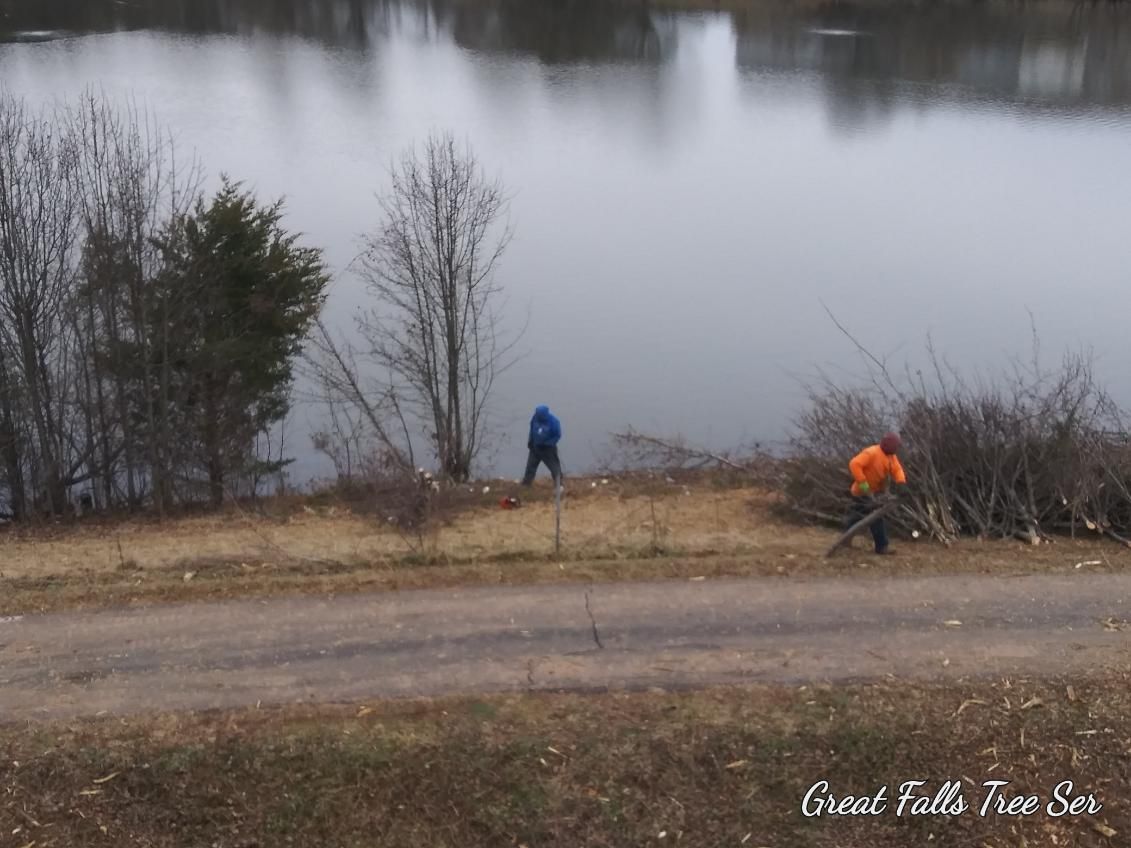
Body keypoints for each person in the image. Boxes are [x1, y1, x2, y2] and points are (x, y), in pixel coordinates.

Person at [844, 431, 907, 555]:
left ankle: (849, 540)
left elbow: (897, 469)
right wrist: (863, 483)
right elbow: (854, 464)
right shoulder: (872, 452)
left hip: (875, 492)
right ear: (889, 444)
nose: (897, 449)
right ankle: (881, 547)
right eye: (896, 446)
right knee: (864, 518)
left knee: (864, 518)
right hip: (861, 493)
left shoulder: (891, 457)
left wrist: (901, 482)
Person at [522, 404, 562, 488]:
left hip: (548, 449)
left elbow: (557, 435)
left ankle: (559, 484)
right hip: (535, 447)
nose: (539, 417)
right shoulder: (535, 418)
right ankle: (526, 484)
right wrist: (530, 442)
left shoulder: (554, 422)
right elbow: (532, 429)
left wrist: (548, 443)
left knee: (554, 467)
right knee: (530, 466)